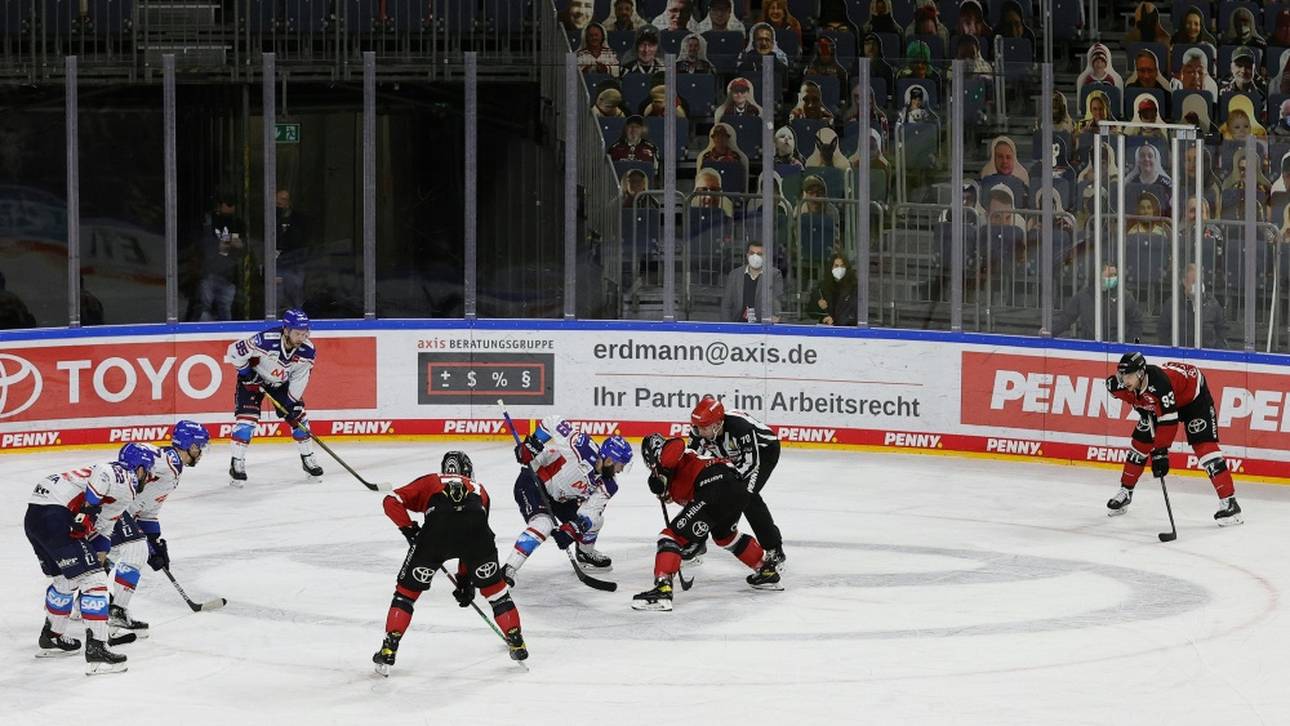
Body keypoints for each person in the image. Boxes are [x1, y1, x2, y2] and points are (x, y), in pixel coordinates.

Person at [372, 452, 527, 674]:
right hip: (477, 537)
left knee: (406, 594)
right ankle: (517, 641)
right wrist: (466, 581)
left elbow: (390, 501)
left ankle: (389, 649)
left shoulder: (431, 480)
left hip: (435, 536)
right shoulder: (479, 489)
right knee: (497, 593)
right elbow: (471, 538)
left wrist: (408, 528)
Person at [25, 444, 156, 674]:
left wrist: (100, 558)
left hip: (36, 515)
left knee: (65, 581)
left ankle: (51, 636)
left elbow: (103, 530)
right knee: (95, 582)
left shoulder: (122, 492)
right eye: (149, 470)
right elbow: (102, 473)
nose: (151, 475)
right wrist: (87, 510)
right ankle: (97, 649)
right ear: (140, 469)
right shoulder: (125, 475)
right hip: (56, 514)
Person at [631, 433, 782, 611]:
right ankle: (766, 571)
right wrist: (663, 483)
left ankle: (662, 590)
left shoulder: (668, 453)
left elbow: (674, 448)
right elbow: (695, 505)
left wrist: (660, 471)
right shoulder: (681, 463)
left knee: (671, 537)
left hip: (715, 487)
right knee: (725, 536)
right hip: (734, 489)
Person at [1105, 352, 1243, 524]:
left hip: (1193, 397)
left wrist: (1161, 452)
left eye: (1129, 376)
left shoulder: (1159, 383)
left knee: (1205, 449)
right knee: (1139, 444)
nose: (1124, 380)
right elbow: (1114, 388)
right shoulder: (1121, 384)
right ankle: (1125, 492)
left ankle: (1230, 503)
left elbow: (1169, 422)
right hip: (1162, 402)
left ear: (1140, 374)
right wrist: (1139, 406)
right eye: (1122, 375)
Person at [103, 421, 209, 638]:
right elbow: (132, 450)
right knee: (136, 551)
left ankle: (83, 605)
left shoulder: (174, 472)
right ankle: (116, 612)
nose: (201, 452)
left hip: (120, 511)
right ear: (191, 445)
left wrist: (155, 542)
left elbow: (149, 511)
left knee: (110, 555)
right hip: (114, 506)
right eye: (200, 447)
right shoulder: (167, 460)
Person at [504, 419, 633, 583]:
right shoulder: (582, 446)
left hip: (561, 498)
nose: (620, 470)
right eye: (620, 465)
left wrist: (573, 529)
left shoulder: (610, 484)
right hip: (534, 481)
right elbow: (553, 421)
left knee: (596, 521)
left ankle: (585, 553)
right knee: (543, 525)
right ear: (609, 460)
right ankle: (509, 568)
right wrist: (533, 444)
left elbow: (591, 511)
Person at [224, 308, 321, 486]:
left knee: (299, 420)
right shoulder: (264, 340)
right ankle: (236, 463)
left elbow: (300, 378)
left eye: (305, 333)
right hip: (252, 382)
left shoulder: (308, 350)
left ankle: (308, 458)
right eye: (298, 333)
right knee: (246, 424)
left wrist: (291, 403)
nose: (302, 337)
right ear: (286, 330)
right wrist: (246, 373)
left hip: (281, 385)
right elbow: (233, 352)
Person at [688, 395, 784, 565]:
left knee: (747, 496)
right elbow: (689, 462)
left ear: (718, 425)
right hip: (732, 455)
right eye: (696, 427)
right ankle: (697, 542)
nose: (699, 432)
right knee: (704, 490)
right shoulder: (699, 431)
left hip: (763, 453)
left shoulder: (740, 428)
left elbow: (751, 463)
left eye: (704, 428)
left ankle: (774, 549)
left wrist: (730, 483)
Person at [1052, 263, 1142, 342]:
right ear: (1098, 276)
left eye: (1115, 275)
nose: (1113, 278)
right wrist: (1051, 332)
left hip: (1117, 347)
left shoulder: (1125, 296)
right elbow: (1067, 317)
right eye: (1109, 275)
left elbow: (1137, 323)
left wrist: (1134, 343)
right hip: (1090, 347)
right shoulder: (1084, 295)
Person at [199, 193, 246, 321]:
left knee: (225, 310)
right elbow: (209, 244)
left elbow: (241, 245)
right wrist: (230, 241)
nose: (231, 208)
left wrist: (227, 242)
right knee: (205, 309)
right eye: (228, 204)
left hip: (229, 276)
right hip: (209, 273)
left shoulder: (238, 223)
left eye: (233, 205)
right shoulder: (208, 221)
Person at [1158, 263, 1228, 348]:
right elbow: (1162, 333)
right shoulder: (1172, 304)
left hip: (1207, 357)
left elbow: (1221, 332)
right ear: (1184, 282)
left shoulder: (1213, 304)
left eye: (1201, 281)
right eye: (1194, 282)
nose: (1199, 285)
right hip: (1179, 356)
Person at [721, 241, 784, 322]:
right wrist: (727, 327)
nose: (755, 256)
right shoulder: (735, 274)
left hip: (761, 326)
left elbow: (776, 299)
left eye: (759, 254)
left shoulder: (774, 275)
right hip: (738, 324)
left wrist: (775, 317)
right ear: (747, 255)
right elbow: (726, 305)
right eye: (752, 253)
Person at [274, 190, 310, 312]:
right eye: (277, 199)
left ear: (289, 202)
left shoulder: (299, 219)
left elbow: (302, 240)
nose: (279, 202)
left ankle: (298, 324)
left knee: (296, 298)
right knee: (276, 300)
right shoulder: (270, 219)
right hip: (277, 265)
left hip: (295, 264)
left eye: (283, 200)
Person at [812, 253, 858, 326]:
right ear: (831, 268)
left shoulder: (854, 288)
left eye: (842, 266)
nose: (839, 269)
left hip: (846, 330)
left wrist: (835, 322)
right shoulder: (822, 287)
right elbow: (811, 313)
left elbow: (854, 314)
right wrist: (818, 306)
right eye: (836, 266)